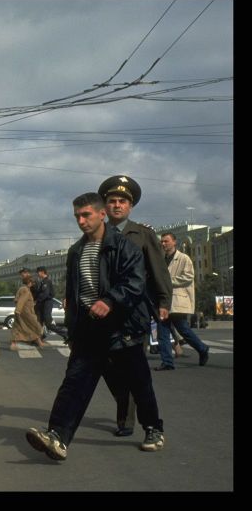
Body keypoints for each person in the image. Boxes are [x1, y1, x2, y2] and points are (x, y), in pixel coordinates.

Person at [26, 192, 164, 460]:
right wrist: (72, 329)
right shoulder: (77, 250)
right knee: (74, 382)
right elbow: (74, 294)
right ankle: (57, 437)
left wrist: (110, 300)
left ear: (102, 214)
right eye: (77, 216)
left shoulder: (124, 247)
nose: (81, 221)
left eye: (86, 215)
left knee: (139, 383)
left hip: (121, 326)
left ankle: (153, 428)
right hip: (89, 328)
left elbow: (135, 283)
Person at [97, 175, 172, 437]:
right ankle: (125, 411)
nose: (117, 205)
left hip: (133, 312)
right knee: (110, 368)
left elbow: (158, 270)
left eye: (122, 201)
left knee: (133, 369)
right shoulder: (98, 233)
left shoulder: (143, 234)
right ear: (105, 206)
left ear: (130, 206)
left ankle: (129, 421)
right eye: (112, 201)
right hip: (103, 313)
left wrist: (164, 301)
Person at [155, 232, 210, 370]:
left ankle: (202, 348)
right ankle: (167, 362)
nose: (163, 244)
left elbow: (188, 277)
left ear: (174, 242)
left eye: (166, 241)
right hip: (163, 301)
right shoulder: (161, 259)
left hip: (177, 301)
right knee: (162, 333)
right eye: (162, 241)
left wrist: (167, 282)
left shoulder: (184, 258)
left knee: (184, 330)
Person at [10, 268, 45, 351]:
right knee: (35, 326)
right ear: (29, 282)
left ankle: (39, 342)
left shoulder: (23, 289)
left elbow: (17, 299)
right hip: (26, 313)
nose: (33, 284)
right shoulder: (25, 290)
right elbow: (21, 301)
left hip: (23, 312)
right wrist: (18, 311)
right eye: (32, 282)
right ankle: (38, 342)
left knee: (19, 327)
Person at [34, 266, 66, 337]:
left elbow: (45, 294)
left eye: (38, 272)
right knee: (39, 321)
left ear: (42, 272)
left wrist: (37, 300)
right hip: (43, 304)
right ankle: (40, 337)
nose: (37, 274)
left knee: (48, 324)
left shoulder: (46, 281)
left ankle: (65, 333)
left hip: (47, 304)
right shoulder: (42, 281)